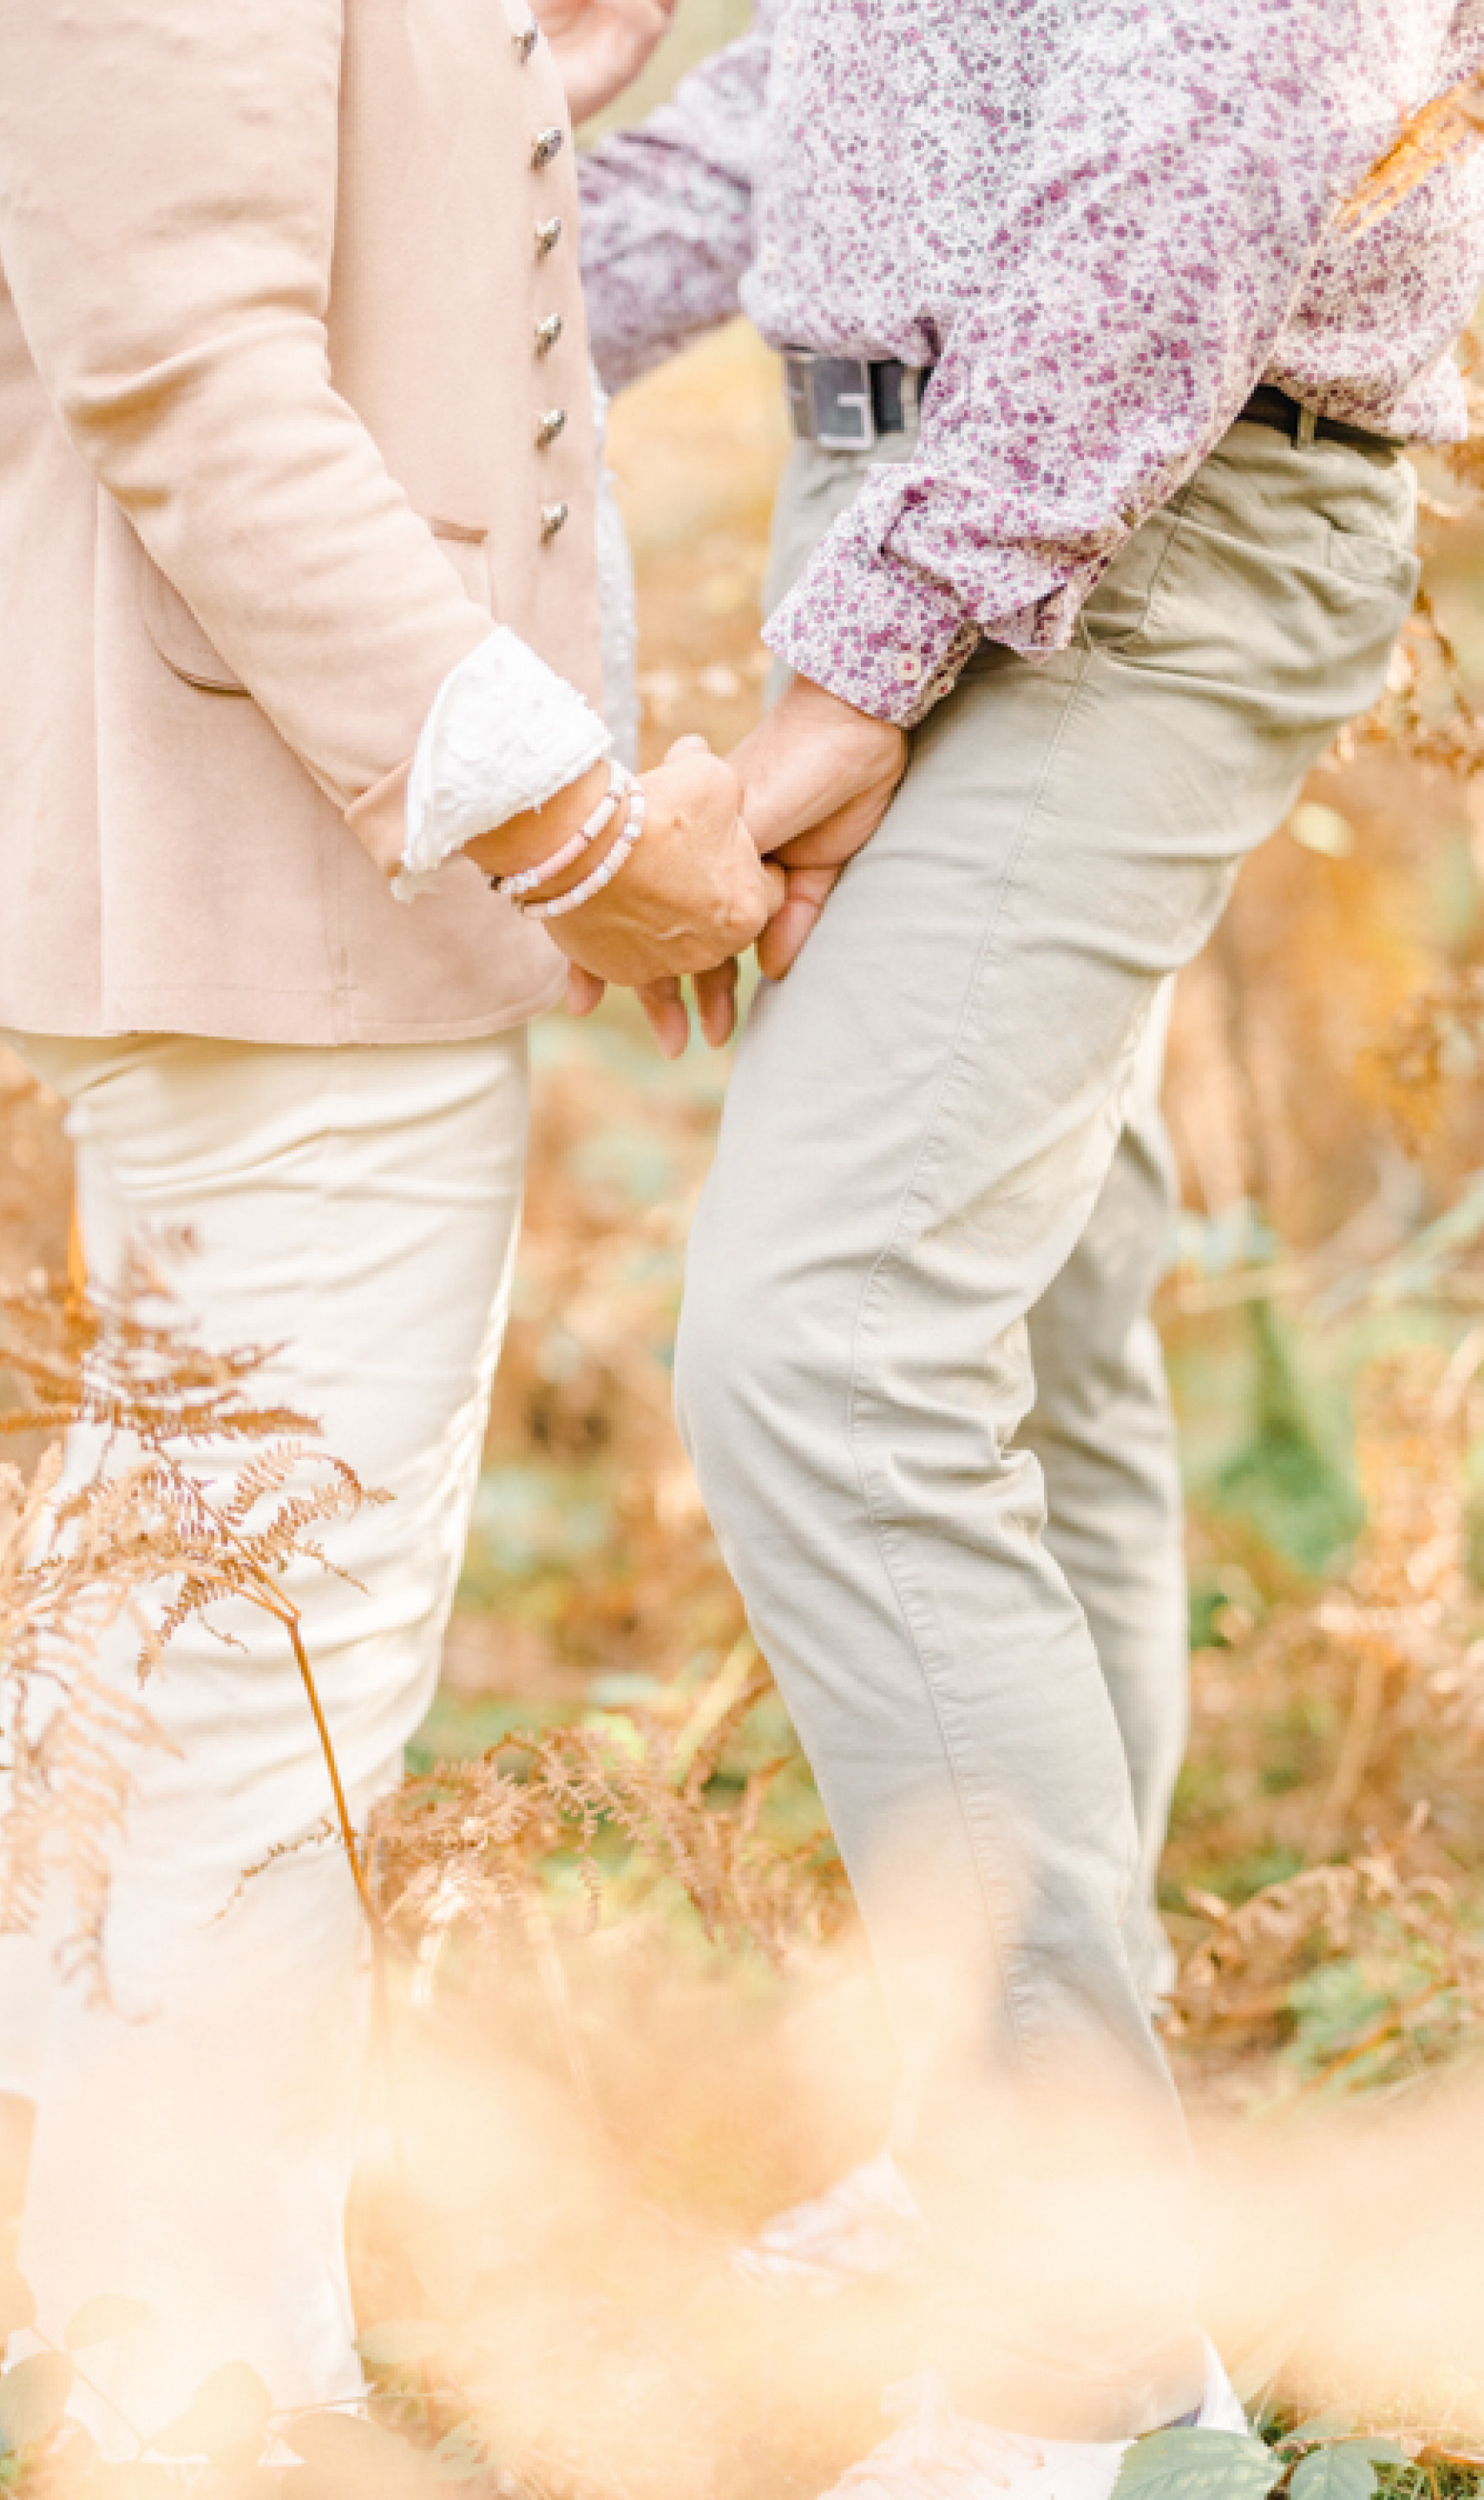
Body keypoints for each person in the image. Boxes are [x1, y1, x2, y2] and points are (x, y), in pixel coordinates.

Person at [0, 0, 769, 2446]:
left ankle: (30, 2250)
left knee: (174, 1560)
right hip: (252, 849)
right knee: (284, 1628)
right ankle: (201, 2393)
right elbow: (185, 364)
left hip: (230, 840)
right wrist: (562, 820)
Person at [572, 3, 1484, 2489]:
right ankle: (1046, 2153)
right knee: (1032, 1322)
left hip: (1128, 513)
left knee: (829, 1345)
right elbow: (842, 107)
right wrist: (420, 233)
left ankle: (1080, 2323)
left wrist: (877, 649)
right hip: (967, 485)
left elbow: (1218, 127)